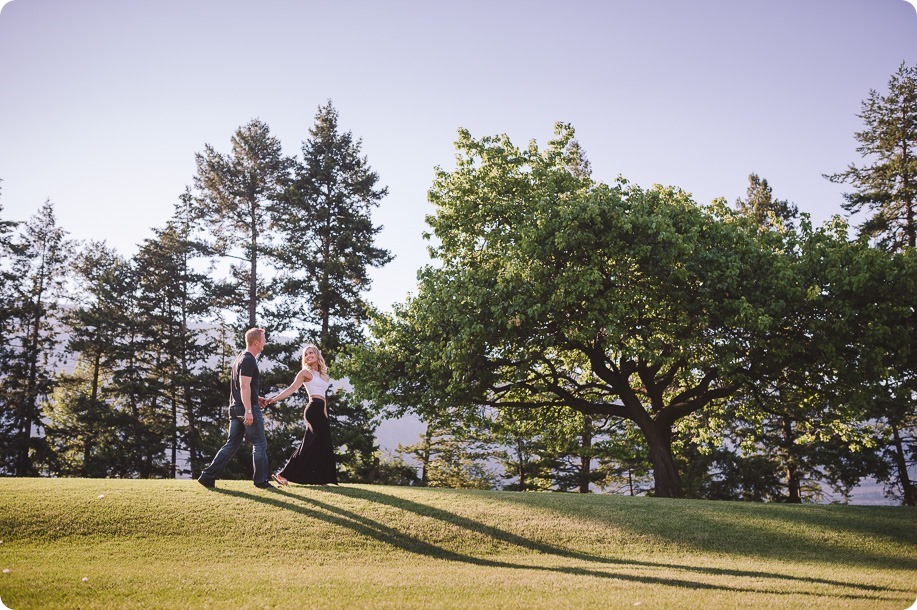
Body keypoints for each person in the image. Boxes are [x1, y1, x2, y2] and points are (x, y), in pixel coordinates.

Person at [198, 328, 273, 489]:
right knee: (260, 443)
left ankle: (207, 476)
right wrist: (249, 409)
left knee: (231, 444)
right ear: (256, 342)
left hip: (235, 407)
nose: (265, 342)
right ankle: (261, 481)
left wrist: (256, 398)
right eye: (264, 339)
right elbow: (244, 385)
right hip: (244, 408)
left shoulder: (240, 358)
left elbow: (243, 387)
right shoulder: (248, 360)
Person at [264, 344, 338, 486]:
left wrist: (326, 415)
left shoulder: (323, 375)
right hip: (313, 410)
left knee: (322, 444)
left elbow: (324, 398)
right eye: (306, 354)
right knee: (310, 444)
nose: (309, 355)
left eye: (311, 353)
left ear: (317, 355)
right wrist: (274, 399)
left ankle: (320, 478)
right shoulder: (304, 373)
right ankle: (283, 474)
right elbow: (291, 389)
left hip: (321, 410)